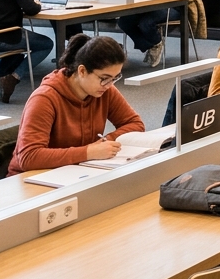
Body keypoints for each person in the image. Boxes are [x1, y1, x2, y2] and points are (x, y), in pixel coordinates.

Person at [8, 34, 143, 175]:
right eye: (104, 78)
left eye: (115, 78)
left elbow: (135, 124)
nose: (109, 85)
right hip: (31, 179)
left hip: (74, 171)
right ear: (82, 71)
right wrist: (87, 152)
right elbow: (29, 157)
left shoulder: (104, 90)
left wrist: (105, 142)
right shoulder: (44, 98)